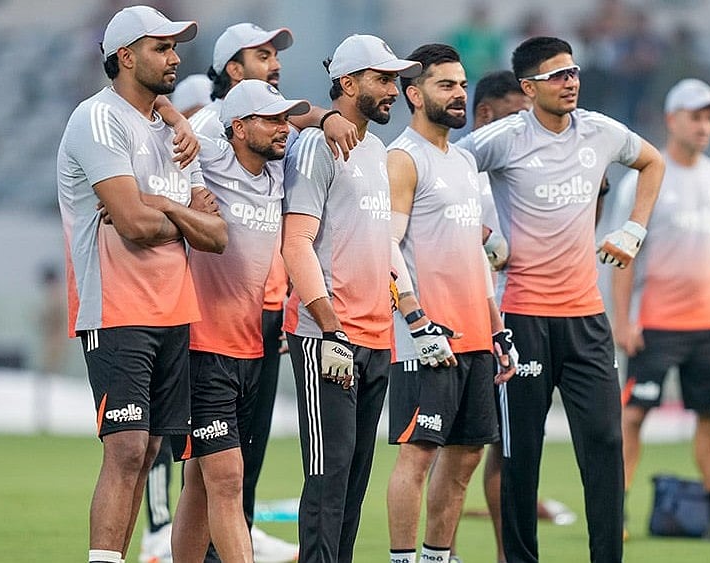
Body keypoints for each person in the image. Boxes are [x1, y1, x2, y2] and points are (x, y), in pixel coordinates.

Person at [456, 36, 664, 563]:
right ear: (528, 88)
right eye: (556, 75)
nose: (570, 81)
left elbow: (652, 162)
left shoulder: (600, 132)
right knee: (520, 456)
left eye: (573, 71)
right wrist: (485, 234)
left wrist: (634, 229)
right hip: (521, 320)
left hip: (587, 320)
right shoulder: (502, 139)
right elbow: (443, 178)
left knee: (605, 446)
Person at [55, 6, 227, 563]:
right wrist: (177, 213)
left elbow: (215, 235)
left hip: (173, 309)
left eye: (176, 47)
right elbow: (130, 224)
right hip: (115, 307)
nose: (176, 58)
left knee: (152, 447)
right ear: (126, 56)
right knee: (127, 449)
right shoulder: (97, 118)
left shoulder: (176, 136)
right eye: (162, 47)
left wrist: (160, 206)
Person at [280, 34, 420, 563]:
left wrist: (408, 311)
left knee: (355, 481)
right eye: (383, 80)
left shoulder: (378, 148)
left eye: (395, 80)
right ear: (347, 84)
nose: (394, 90)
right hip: (327, 338)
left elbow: (380, 243)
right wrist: (330, 328)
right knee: (328, 477)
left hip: (376, 337)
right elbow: (296, 243)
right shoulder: (316, 146)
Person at [611, 78, 710, 541]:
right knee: (634, 416)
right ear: (672, 119)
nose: (704, 126)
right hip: (655, 325)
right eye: (696, 116)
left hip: (709, 325)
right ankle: (611, 511)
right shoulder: (647, 178)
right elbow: (624, 254)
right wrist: (622, 320)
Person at [384, 43, 516, 563]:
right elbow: (386, 247)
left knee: (463, 459)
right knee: (417, 458)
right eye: (446, 85)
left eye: (462, 84)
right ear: (415, 94)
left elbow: (476, 256)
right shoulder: (402, 158)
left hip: (475, 337)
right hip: (426, 340)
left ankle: (440, 556)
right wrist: (416, 319)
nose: (459, 93)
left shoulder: (463, 161)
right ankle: (402, 559)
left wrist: (497, 328)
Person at [170, 79, 309, 563]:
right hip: (202, 347)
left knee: (200, 484)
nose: (283, 128)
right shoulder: (209, 153)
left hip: (254, 347)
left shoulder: (279, 171)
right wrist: (174, 120)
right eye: (271, 119)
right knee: (228, 479)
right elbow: (151, 138)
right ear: (238, 126)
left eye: (284, 118)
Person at [194, 22, 358, 159]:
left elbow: (302, 117)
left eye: (275, 57)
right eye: (264, 57)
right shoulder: (204, 127)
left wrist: (327, 118)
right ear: (235, 70)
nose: (276, 65)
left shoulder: (283, 122)